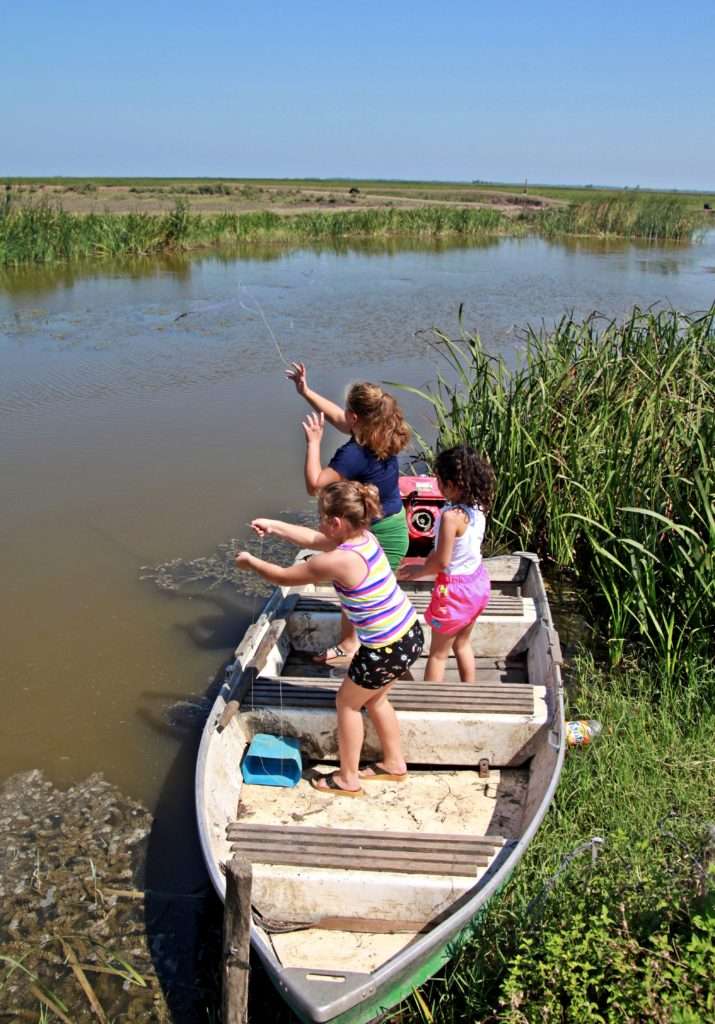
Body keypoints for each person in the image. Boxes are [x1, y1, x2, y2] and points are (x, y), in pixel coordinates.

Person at [235, 480, 423, 797]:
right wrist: (274, 525)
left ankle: (348, 778)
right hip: (409, 634)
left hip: (384, 649)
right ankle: (394, 763)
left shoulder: (335, 560)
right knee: (376, 698)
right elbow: (315, 539)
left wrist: (250, 563)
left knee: (347, 704)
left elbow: (283, 576)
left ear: (336, 523)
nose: (319, 524)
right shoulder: (365, 538)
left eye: (322, 518)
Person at [286, 362, 411, 665]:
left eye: (348, 413)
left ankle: (358, 648)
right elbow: (341, 419)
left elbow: (314, 486)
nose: (343, 418)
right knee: (360, 591)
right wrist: (306, 391)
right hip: (394, 525)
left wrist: (313, 443)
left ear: (357, 417)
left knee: (357, 594)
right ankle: (359, 643)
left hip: (382, 534)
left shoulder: (352, 454)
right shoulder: (384, 431)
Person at [398, 445, 495, 683]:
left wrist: (419, 571)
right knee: (462, 644)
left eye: (439, 480)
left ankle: (431, 705)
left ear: (453, 485)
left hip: (454, 592)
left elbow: (442, 562)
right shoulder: (479, 507)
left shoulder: (450, 517)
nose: (437, 484)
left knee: (438, 655)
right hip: (478, 584)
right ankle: (469, 692)